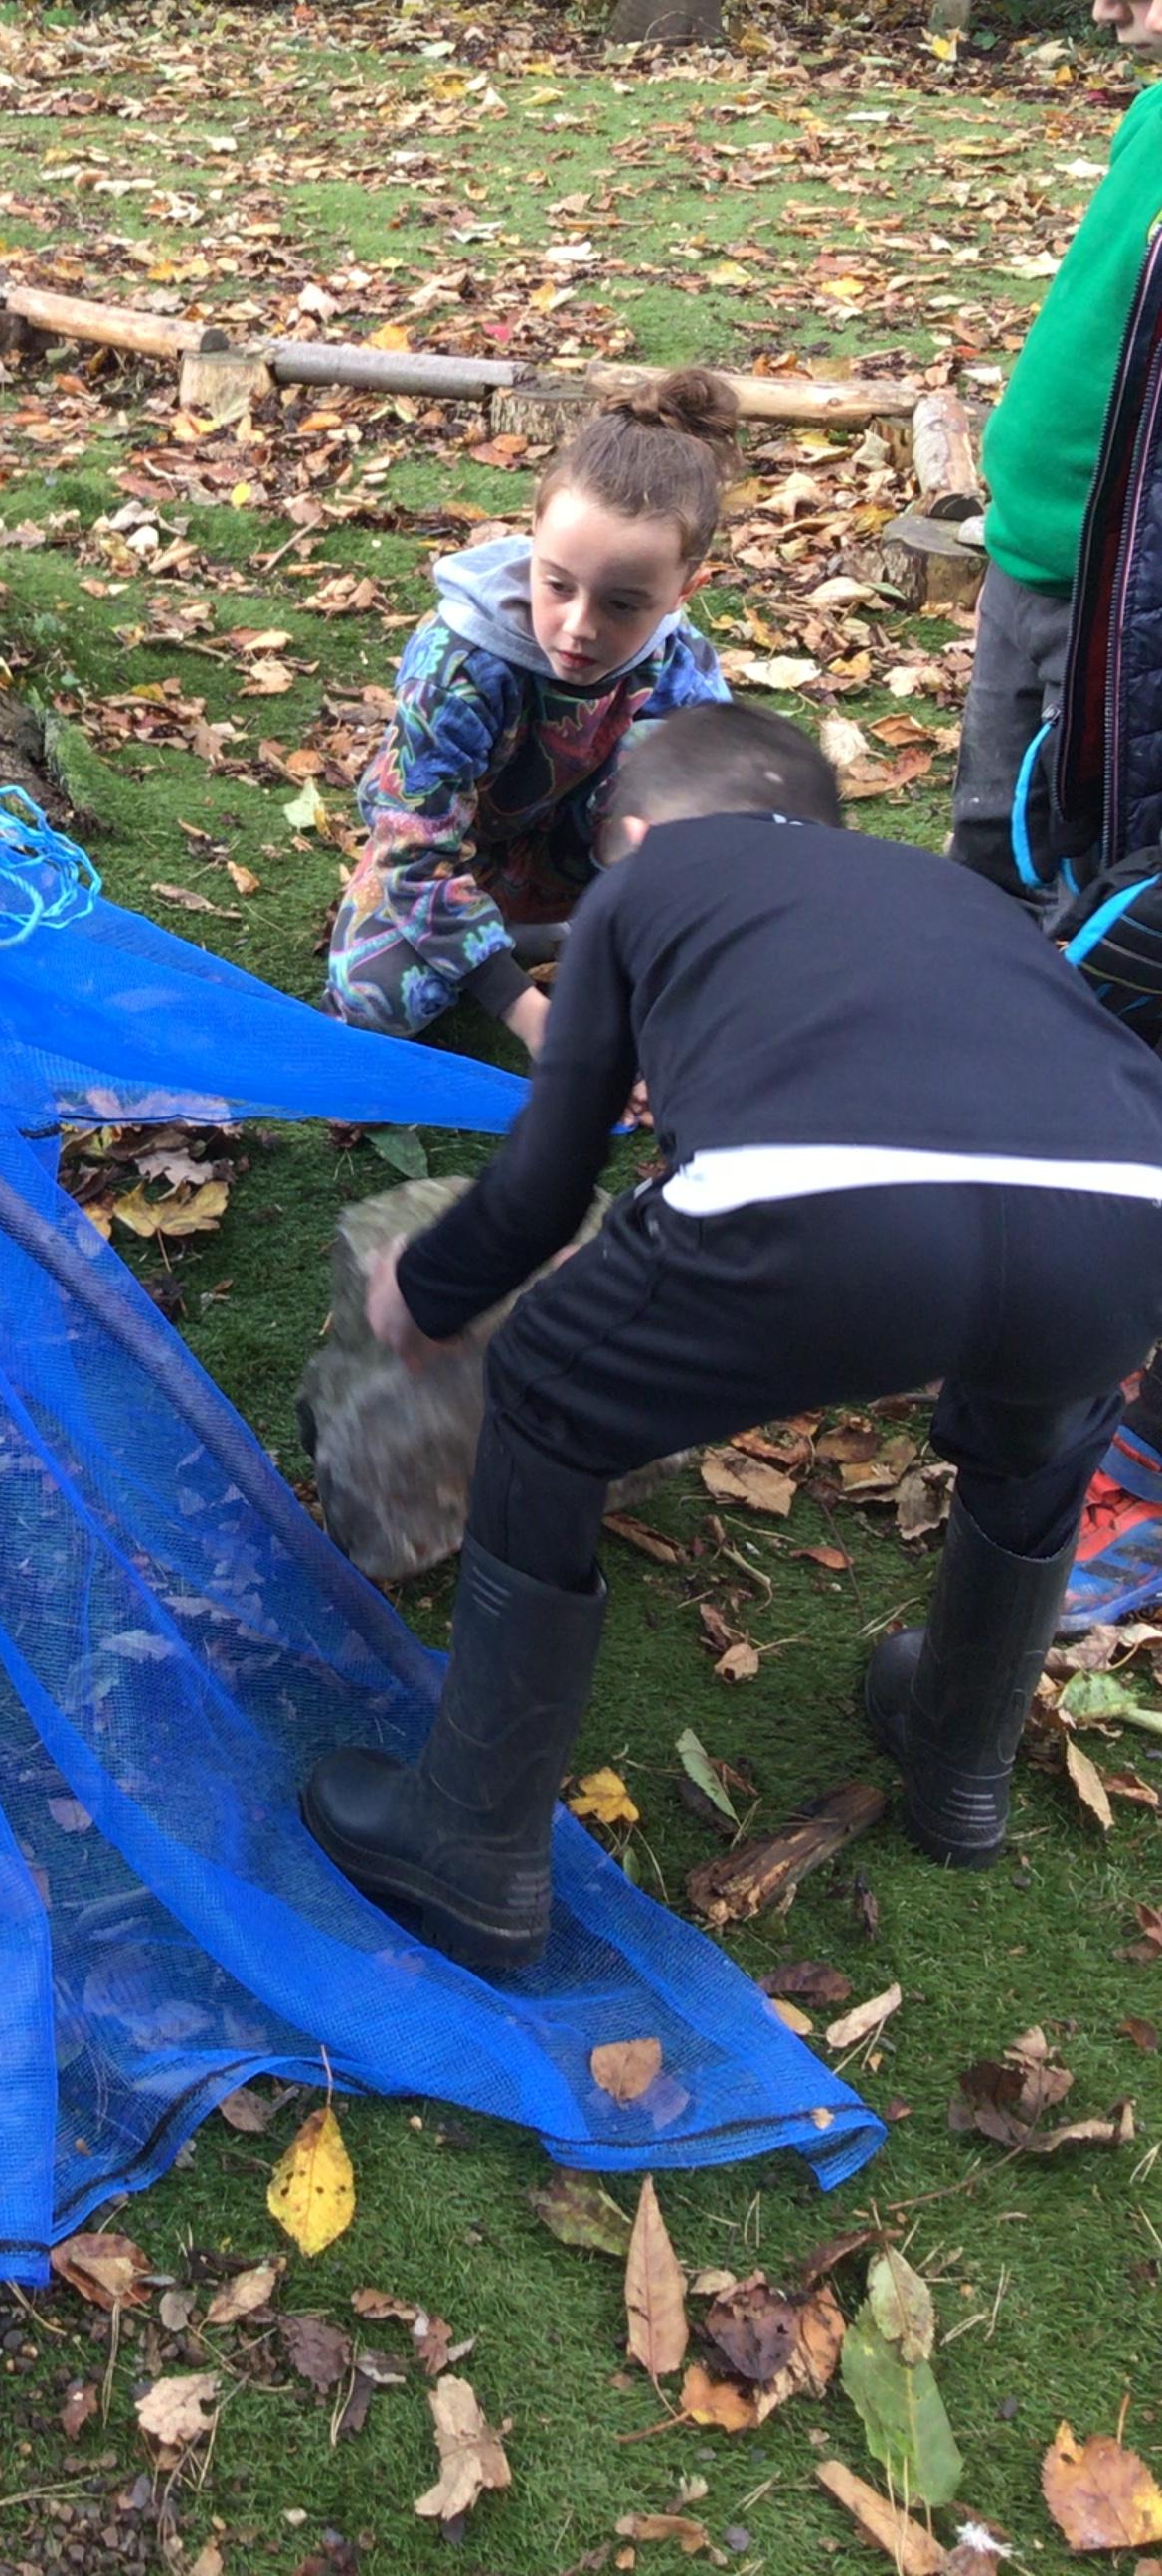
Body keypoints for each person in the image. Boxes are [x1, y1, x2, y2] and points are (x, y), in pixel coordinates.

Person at [302, 704, 1162, 1975]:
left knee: (543, 1383)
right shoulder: (942, 895)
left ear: (635, 835)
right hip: (1125, 1213)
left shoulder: (645, 884)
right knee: (1047, 1409)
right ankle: (959, 1760)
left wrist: (425, 1292)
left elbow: (545, 1180)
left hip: (822, 1215)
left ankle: (471, 1842)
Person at [325, 371, 733, 1053]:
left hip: (579, 872)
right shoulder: (460, 667)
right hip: (458, 866)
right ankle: (499, 943)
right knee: (377, 1002)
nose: (579, 627)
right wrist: (526, 1013)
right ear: (534, 539)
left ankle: (591, 941)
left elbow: (725, 823)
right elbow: (413, 851)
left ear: (683, 590)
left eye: (623, 604)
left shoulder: (678, 659)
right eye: (558, 585)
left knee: (690, 766)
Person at [952, 0, 1162, 891]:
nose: (1108, 11)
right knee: (991, 837)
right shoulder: (1152, 120)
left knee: (1078, 878)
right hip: (1029, 564)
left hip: (1121, 605)